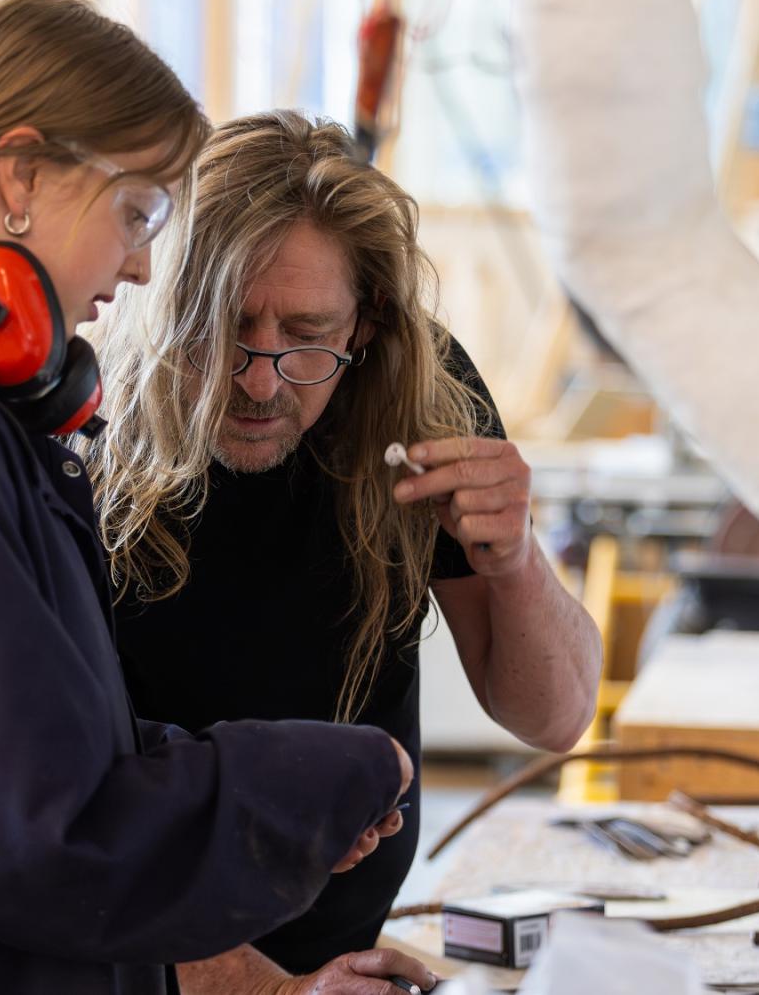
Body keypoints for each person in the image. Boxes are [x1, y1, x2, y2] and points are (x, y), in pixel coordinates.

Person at [0, 0, 435, 995]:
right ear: (19, 173)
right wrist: (302, 785)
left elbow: (44, 736)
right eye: (138, 211)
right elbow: (38, 831)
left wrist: (308, 788)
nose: (143, 261)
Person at [85, 110, 603, 993]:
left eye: (306, 335)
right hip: (143, 968)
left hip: (346, 957)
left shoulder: (421, 395)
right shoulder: (90, 444)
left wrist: (512, 558)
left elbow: (553, 718)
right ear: (167, 305)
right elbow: (69, 840)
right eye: (229, 329)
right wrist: (274, 991)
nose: (259, 378)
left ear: (363, 327)